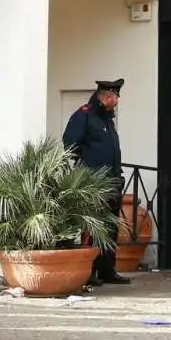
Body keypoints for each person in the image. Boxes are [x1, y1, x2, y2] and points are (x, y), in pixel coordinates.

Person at [62, 79, 131, 286]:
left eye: (117, 96)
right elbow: (70, 143)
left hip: (112, 181)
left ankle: (107, 269)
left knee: (110, 226)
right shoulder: (84, 115)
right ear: (104, 96)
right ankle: (88, 271)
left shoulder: (107, 120)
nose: (117, 100)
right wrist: (87, 166)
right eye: (114, 96)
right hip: (92, 181)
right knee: (91, 227)